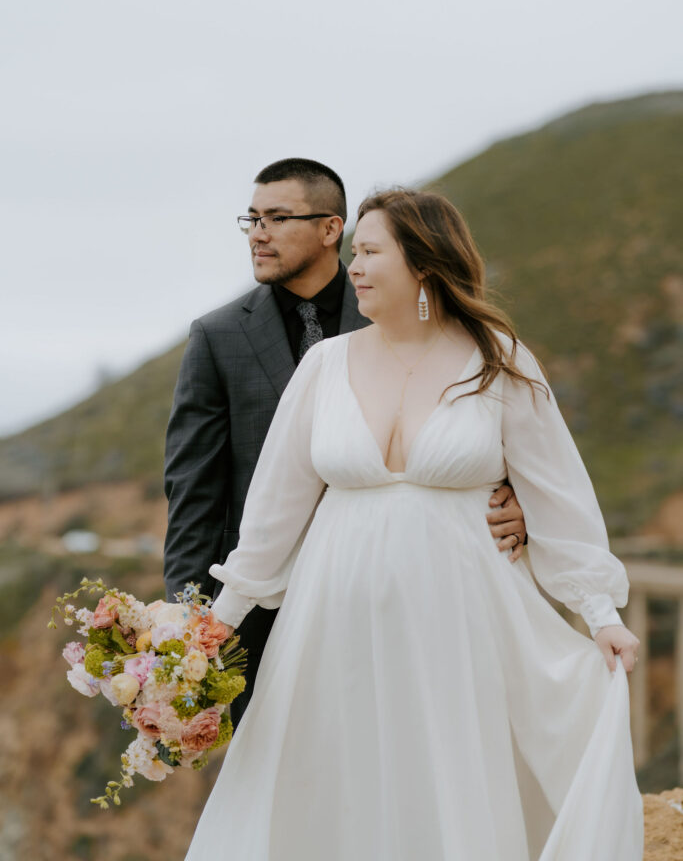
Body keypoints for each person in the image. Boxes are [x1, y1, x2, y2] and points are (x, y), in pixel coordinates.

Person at [185, 187, 643, 861]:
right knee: (332, 783)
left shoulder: (499, 360)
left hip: (459, 621)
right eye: (352, 254)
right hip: (330, 622)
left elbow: (558, 498)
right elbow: (272, 518)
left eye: (369, 252)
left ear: (423, 263)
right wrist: (212, 628)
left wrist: (599, 613)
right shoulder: (323, 366)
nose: (354, 269)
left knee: (447, 777)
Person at [164, 160, 528, 726]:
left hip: (400, 586)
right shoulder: (217, 336)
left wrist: (512, 492)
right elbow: (193, 488)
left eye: (277, 218)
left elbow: (473, 425)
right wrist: (190, 617)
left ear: (332, 229)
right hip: (261, 595)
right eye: (252, 219)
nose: (257, 233)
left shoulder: (403, 317)